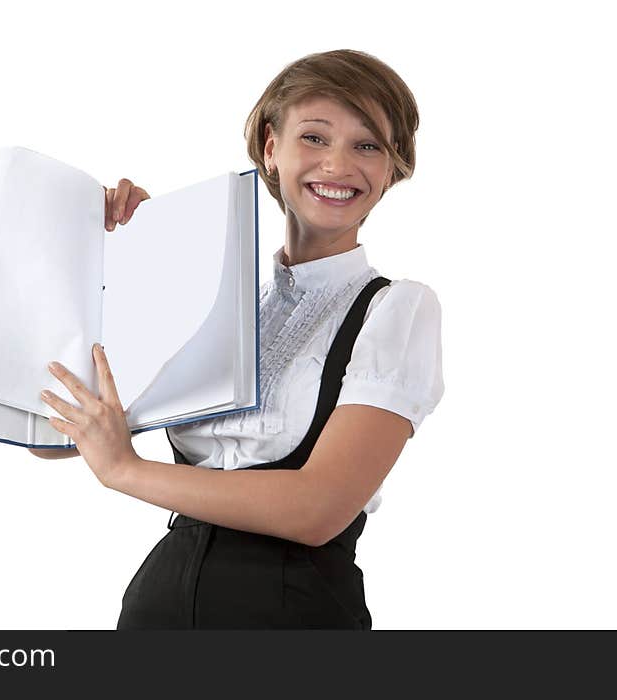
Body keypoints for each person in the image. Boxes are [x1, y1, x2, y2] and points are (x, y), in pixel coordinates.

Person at [30, 49, 445, 629]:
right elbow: (52, 440)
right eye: (316, 137)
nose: (339, 165)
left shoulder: (397, 309)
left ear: (391, 168)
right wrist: (111, 262)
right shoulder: (225, 305)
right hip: (155, 613)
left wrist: (125, 470)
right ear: (272, 150)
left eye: (368, 145)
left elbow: (317, 509)